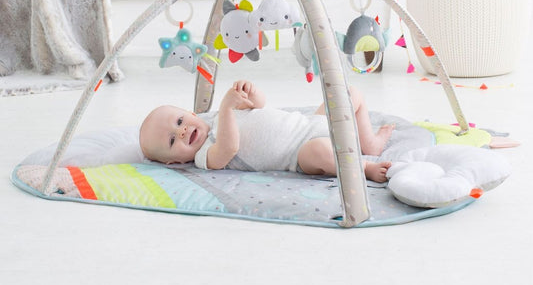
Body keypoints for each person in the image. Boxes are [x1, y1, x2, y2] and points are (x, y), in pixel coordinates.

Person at [139, 80, 393, 182]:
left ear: (191, 114)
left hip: (311, 123)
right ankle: (364, 167)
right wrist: (226, 108)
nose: (182, 131)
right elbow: (229, 147)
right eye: (172, 140)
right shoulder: (204, 155)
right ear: (174, 161)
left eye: (179, 121)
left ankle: (369, 144)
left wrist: (251, 92)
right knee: (321, 151)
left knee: (347, 93)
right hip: (300, 153)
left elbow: (259, 106)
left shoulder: (217, 117)